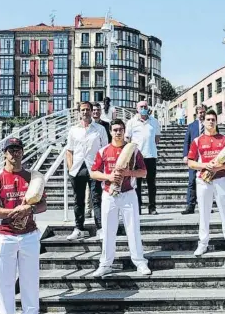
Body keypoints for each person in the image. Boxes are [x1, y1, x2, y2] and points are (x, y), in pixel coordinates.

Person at [0, 137, 47, 314]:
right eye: (10, 150)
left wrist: (28, 209)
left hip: (29, 234)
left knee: (30, 280)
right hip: (4, 235)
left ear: (22, 151)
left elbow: (43, 205)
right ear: (4, 153)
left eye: (18, 149)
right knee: (4, 282)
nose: (14, 153)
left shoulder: (32, 177)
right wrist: (13, 212)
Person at [90, 119, 152, 277]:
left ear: (125, 132)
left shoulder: (133, 150)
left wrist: (128, 173)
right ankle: (105, 264)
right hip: (109, 194)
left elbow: (143, 172)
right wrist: (108, 177)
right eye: (115, 130)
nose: (118, 132)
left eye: (121, 130)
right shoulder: (103, 151)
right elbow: (93, 172)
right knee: (108, 230)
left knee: (133, 229)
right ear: (110, 131)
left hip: (128, 193)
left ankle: (139, 261)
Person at [187, 110, 225, 256]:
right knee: (203, 213)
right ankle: (202, 244)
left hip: (221, 178)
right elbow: (190, 163)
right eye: (208, 119)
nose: (210, 122)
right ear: (203, 122)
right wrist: (204, 166)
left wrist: (217, 167)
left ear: (216, 122)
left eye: (213, 119)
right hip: (203, 180)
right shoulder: (197, 140)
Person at [65, 101, 108, 240]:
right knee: (78, 200)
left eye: (88, 109)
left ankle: (101, 228)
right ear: (79, 112)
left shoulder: (100, 129)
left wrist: (103, 169)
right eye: (83, 110)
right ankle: (78, 228)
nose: (85, 112)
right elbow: (69, 150)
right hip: (77, 169)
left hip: (94, 168)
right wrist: (71, 168)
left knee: (96, 198)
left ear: (91, 111)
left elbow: (105, 150)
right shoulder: (73, 130)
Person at [126, 100, 161, 215]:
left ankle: (152, 207)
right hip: (136, 157)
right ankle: (138, 207)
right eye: (141, 106)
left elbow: (157, 138)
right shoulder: (131, 122)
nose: (143, 108)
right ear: (137, 108)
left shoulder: (154, 122)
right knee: (137, 184)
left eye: (145, 106)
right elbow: (128, 139)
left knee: (151, 184)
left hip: (150, 156)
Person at [181, 104, 207, 215]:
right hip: (193, 158)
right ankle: (190, 206)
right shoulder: (191, 126)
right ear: (196, 113)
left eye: (203, 112)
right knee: (192, 181)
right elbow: (187, 141)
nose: (202, 114)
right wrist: (185, 155)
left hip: (206, 157)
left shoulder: (210, 124)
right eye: (200, 112)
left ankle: (206, 205)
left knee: (206, 181)